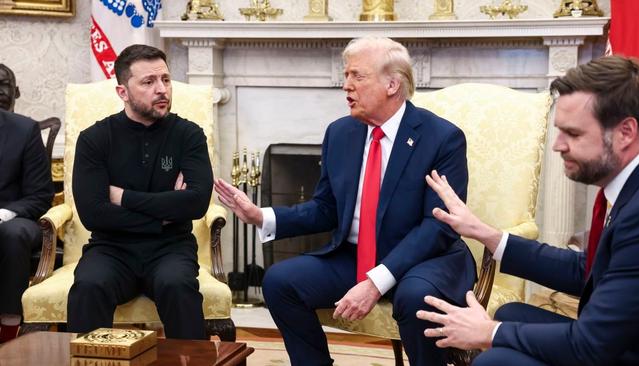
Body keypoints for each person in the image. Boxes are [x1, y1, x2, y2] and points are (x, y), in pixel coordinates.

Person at [214, 36, 476, 365]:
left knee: (414, 298)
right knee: (280, 282)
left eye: (357, 76)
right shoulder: (341, 133)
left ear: (392, 84)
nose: (346, 86)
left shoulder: (442, 138)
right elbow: (326, 209)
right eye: (346, 75)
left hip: (424, 261)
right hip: (356, 256)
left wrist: (375, 283)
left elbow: (436, 228)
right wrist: (262, 217)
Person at [417, 55, 639, 365]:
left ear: (625, 132)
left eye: (574, 133)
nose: (558, 145)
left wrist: (490, 333)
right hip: (620, 340)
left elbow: (591, 344)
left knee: (493, 360)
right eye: (559, 131)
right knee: (510, 313)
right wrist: (486, 234)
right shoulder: (633, 185)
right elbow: (588, 271)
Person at [67, 44, 213, 339]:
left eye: (166, 80)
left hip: (171, 247)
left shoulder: (189, 135)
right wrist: (164, 213)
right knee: (88, 286)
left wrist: (123, 197)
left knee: (178, 285)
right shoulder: (94, 139)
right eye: (149, 82)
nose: (161, 89)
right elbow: (93, 214)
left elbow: (196, 204)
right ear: (123, 92)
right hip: (111, 248)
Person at [0, 63, 54, 343]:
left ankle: (9, 327)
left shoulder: (23, 130)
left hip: (14, 218)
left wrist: (4, 213)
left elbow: (41, 195)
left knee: (13, 233)